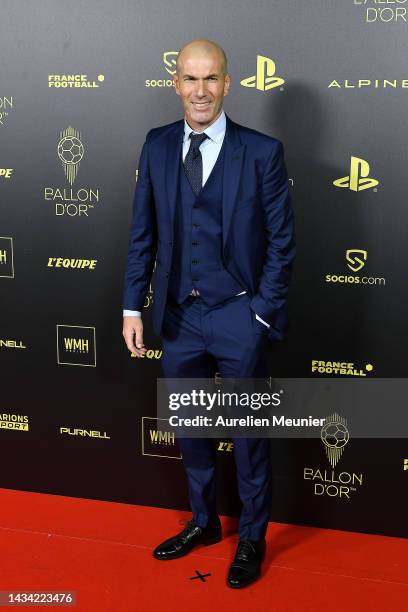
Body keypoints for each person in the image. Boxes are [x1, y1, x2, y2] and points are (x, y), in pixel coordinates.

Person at [122, 38, 295, 588]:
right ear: (175, 83)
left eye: (211, 79)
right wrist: (133, 306)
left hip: (240, 316)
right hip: (178, 318)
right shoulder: (155, 146)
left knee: (247, 435)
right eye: (190, 79)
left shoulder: (263, 152)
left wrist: (261, 314)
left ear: (228, 83)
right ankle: (203, 523)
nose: (200, 91)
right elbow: (142, 234)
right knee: (192, 430)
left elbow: (282, 243)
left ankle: (251, 537)